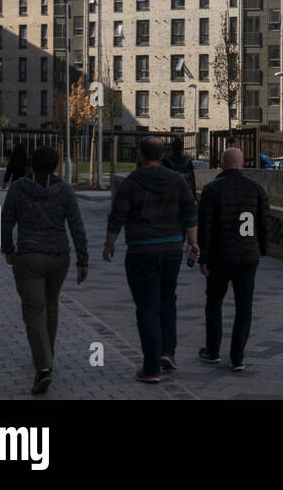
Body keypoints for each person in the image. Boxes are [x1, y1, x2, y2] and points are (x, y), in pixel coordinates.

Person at [103, 137, 198, 384]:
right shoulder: (177, 180)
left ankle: (151, 367)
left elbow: (117, 216)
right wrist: (193, 243)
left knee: (147, 307)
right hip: (171, 250)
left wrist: (109, 244)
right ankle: (168, 352)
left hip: (141, 251)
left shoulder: (132, 182)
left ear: (141, 155)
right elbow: (189, 213)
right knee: (167, 301)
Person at [1, 146, 89, 395]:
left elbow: (7, 220)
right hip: (58, 256)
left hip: (28, 256)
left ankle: (43, 366)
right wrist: (83, 260)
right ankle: (46, 356)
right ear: (55, 166)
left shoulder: (19, 188)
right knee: (51, 306)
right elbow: (76, 225)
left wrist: (8, 248)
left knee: (34, 310)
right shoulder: (64, 190)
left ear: (32, 164)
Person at [197, 147, 269, 372]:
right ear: (242, 164)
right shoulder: (256, 189)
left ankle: (212, 351)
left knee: (214, 301)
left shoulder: (211, 190)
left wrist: (203, 258)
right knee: (244, 306)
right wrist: (262, 251)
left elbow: (205, 228)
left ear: (222, 163)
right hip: (248, 256)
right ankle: (238, 357)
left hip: (220, 256)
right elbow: (265, 224)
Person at [160, 137, 198, 205]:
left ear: (172, 148)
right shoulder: (188, 162)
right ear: (182, 149)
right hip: (185, 194)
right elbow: (192, 181)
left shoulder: (166, 161)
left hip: (171, 195)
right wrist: (194, 197)